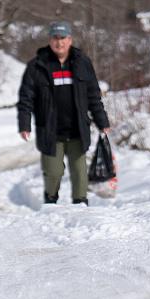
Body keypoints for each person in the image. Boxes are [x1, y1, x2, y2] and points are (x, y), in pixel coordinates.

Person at [17, 21, 111, 205]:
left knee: (79, 172)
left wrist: (102, 121)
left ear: (70, 40)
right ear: (50, 40)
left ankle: (81, 205)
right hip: (50, 130)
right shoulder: (37, 66)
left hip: (77, 129)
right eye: (55, 38)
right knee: (53, 172)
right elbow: (26, 98)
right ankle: (51, 202)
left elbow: (93, 96)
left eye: (62, 38)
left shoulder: (82, 62)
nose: (59, 42)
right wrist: (24, 124)